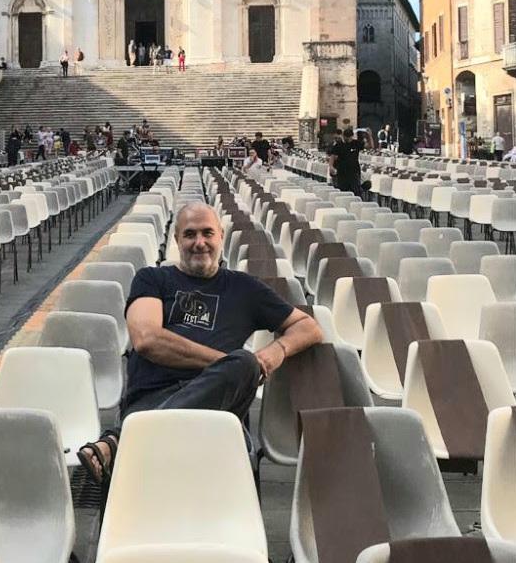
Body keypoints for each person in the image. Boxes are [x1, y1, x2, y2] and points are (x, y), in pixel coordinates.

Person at [76, 202, 322, 483]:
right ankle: (133, 438)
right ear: (177, 239)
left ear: (221, 236)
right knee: (243, 363)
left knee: (245, 363)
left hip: (217, 409)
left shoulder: (244, 288)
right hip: (152, 399)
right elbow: (146, 339)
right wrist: (231, 366)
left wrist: (276, 351)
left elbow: (309, 327)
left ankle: (123, 442)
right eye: (190, 234)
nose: (199, 242)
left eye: (207, 233)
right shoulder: (153, 278)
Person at [328, 128, 364, 195]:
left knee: (356, 192)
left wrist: (369, 136)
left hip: (354, 172)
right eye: (346, 137)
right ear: (343, 136)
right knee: (343, 192)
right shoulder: (339, 145)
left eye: (349, 137)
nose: (347, 138)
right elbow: (332, 156)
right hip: (342, 172)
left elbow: (370, 146)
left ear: (352, 136)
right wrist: (331, 166)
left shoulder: (356, 143)